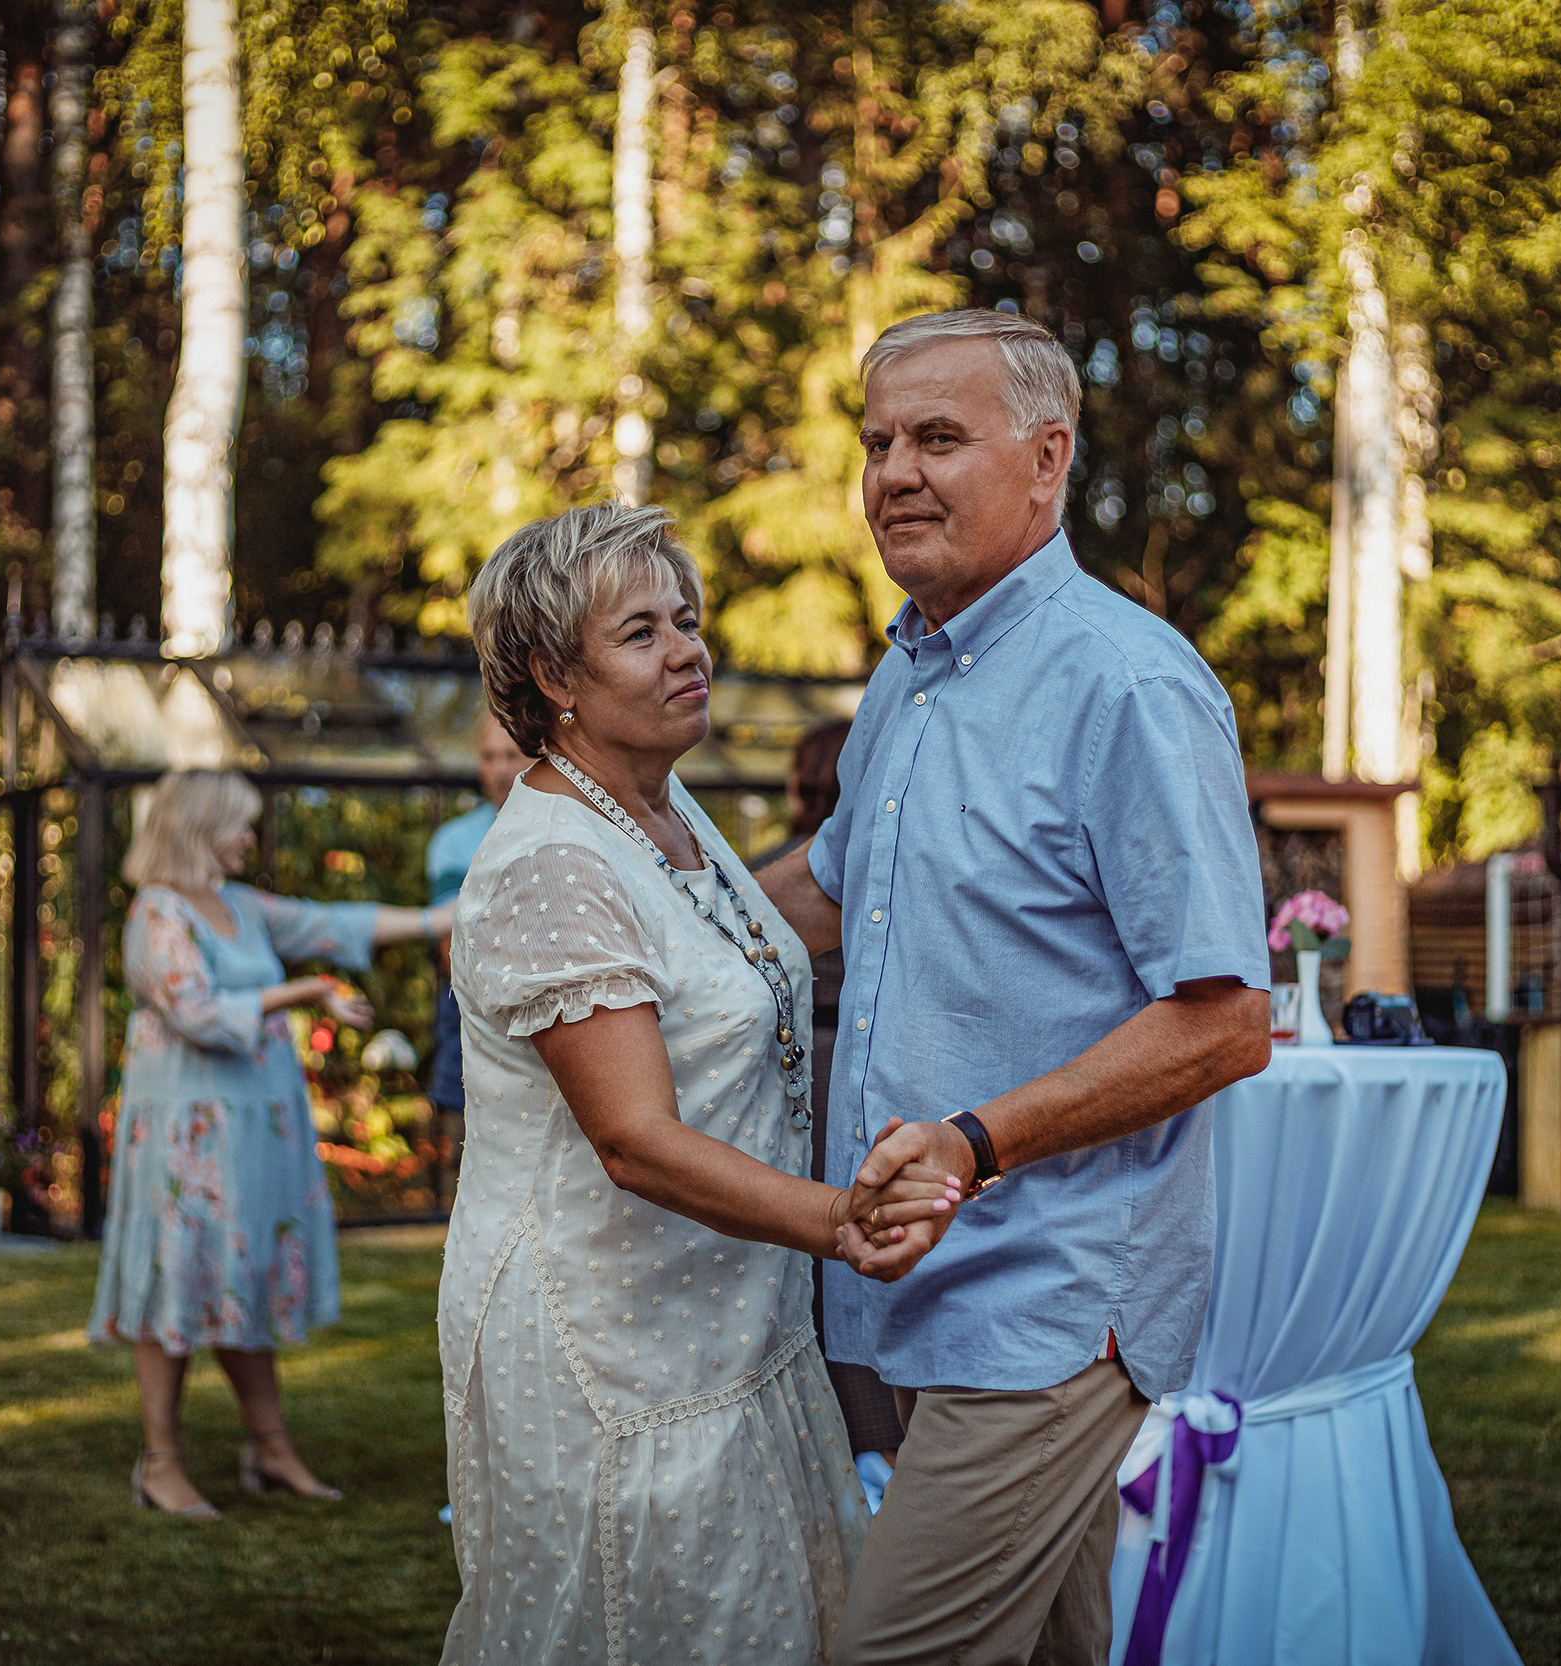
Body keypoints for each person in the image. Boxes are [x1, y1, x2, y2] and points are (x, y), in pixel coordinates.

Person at [756, 308, 1274, 1666]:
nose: (893, 475)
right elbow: (827, 880)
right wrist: (631, 915)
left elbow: (1225, 1019)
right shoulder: (907, 673)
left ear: (1046, 462)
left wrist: (978, 1144)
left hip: (1045, 1298)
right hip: (919, 1290)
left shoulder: (1127, 685)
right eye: (876, 444)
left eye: (938, 437)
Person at [434, 503, 960, 1664]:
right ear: (548, 673)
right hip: (611, 1341)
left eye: (687, 619)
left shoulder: (659, 811)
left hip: (724, 1314)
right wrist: (843, 1221)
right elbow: (634, 1138)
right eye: (640, 632)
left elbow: (771, 920)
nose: (687, 649)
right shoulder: (556, 861)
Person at [89, 768, 454, 1519]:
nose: (250, 838)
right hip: (188, 1138)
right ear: (198, 830)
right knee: (179, 1278)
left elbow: (334, 924)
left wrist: (435, 920)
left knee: (240, 1275)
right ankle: (159, 1461)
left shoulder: (241, 908)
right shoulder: (157, 912)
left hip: (253, 1131)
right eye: (239, 824)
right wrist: (307, 993)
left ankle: (271, 1446)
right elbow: (194, 1008)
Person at [751, 722, 905, 1479]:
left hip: (789, 1066)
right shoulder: (876, 866)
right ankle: (872, 1441)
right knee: (849, 1249)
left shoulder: (757, 873)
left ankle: (827, 1435)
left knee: (813, 1256)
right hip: (857, 1063)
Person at [424, 711, 527, 1120]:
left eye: (511, 755)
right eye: (488, 757)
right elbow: (452, 948)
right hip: (472, 1013)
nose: (499, 769)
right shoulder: (454, 841)